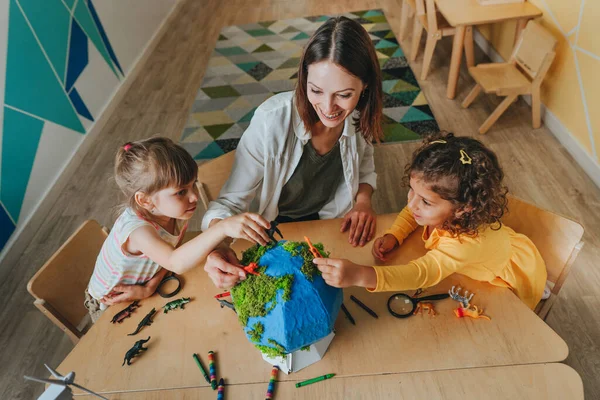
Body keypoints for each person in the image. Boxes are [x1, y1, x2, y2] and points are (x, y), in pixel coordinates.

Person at [202, 16, 384, 289]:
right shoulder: (271, 120)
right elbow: (231, 202)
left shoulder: (360, 115)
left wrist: (363, 202)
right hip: (274, 227)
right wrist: (218, 245)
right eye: (316, 90)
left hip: (329, 225)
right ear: (304, 78)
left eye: (344, 94)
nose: (328, 107)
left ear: (365, 86)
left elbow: (365, 165)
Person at [313, 132, 548, 309]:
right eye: (411, 191)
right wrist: (396, 234)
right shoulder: (439, 208)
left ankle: (539, 287)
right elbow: (411, 212)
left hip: (506, 275)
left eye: (425, 202)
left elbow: (421, 273)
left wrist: (361, 275)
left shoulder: (464, 245)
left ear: (463, 209)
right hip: (490, 250)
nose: (412, 203)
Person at [84, 137, 270, 322]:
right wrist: (222, 227)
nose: (194, 197)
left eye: (193, 185)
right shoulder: (138, 232)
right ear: (145, 201)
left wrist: (149, 288)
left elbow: (170, 258)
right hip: (110, 304)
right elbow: (175, 262)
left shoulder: (172, 212)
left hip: (145, 287)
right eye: (181, 192)